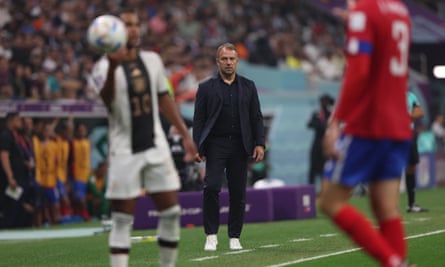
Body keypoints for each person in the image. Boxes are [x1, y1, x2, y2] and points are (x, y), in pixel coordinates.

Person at [91, 9, 197, 267]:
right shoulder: (103, 66)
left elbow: (163, 97)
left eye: (136, 24)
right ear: (115, 30)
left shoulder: (152, 60)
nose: (134, 29)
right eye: (128, 24)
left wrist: (185, 135)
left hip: (156, 144)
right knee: (122, 220)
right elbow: (107, 100)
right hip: (124, 149)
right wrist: (115, 64)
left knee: (171, 212)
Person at [319, 0, 414, 266]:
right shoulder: (399, 10)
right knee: (386, 207)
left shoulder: (364, 11)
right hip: (397, 124)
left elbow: (358, 72)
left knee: (329, 201)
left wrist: (336, 121)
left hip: (369, 123)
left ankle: (394, 263)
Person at [193, 43, 265, 251]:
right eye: (224, 59)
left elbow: (256, 117)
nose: (228, 63)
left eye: (232, 59)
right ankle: (211, 234)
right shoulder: (206, 87)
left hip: (240, 145)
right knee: (212, 187)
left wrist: (259, 143)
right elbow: (199, 120)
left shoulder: (249, 86)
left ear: (237, 61)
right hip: (216, 144)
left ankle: (234, 236)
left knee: (238, 193)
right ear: (217, 62)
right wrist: (198, 146)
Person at [0, 112, 34, 228]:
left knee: (19, 209)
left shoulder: (16, 137)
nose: (21, 123)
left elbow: (15, 157)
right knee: (11, 208)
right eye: (18, 120)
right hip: (11, 180)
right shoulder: (6, 136)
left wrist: (24, 164)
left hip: (20, 178)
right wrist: (10, 176)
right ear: (11, 121)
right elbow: (4, 156)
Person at [405, 91, 428, 213]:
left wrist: (405, 117)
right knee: (393, 168)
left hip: (409, 134)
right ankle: (390, 206)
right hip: (392, 134)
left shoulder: (410, 95)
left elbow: (420, 112)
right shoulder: (388, 92)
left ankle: (411, 204)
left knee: (411, 167)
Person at [307, 94, 334, 189]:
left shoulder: (331, 114)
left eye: (325, 101)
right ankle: (310, 190)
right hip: (317, 144)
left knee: (325, 169)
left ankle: (324, 190)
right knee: (313, 169)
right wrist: (320, 124)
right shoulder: (317, 114)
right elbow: (309, 124)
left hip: (326, 144)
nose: (323, 104)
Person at [70, 122, 91, 222]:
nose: (82, 132)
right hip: (77, 176)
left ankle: (82, 216)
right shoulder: (74, 142)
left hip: (87, 176)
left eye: (83, 130)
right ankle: (86, 217)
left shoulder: (87, 143)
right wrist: (71, 120)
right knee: (80, 199)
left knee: (86, 198)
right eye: (80, 130)